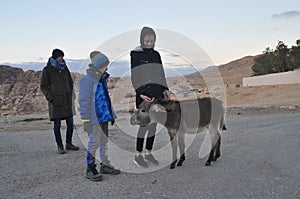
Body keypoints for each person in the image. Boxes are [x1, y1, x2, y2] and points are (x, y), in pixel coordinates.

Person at [130, 27, 171, 168]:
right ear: (142, 40)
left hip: (156, 94)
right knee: (144, 126)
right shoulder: (135, 54)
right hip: (143, 96)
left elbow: (161, 73)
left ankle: (148, 153)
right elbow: (134, 75)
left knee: (153, 126)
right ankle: (138, 155)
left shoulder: (156, 54)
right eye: (147, 41)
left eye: (152, 41)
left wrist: (165, 89)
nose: (149, 44)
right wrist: (140, 92)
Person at [78, 51, 120, 181]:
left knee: (104, 142)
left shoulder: (102, 80)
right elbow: (83, 101)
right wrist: (85, 120)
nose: (106, 68)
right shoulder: (87, 81)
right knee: (94, 142)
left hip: (104, 118)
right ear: (96, 66)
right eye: (104, 66)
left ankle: (105, 164)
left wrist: (111, 115)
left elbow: (106, 100)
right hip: (94, 119)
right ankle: (90, 167)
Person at [41, 49, 79, 154]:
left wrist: (71, 93)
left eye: (62, 57)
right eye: (60, 57)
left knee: (70, 123)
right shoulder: (47, 70)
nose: (62, 59)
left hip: (67, 100)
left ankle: (69, 143)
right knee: (57, 125)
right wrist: (50, 97)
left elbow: (70, 82)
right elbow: (43, 86)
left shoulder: (64, 68)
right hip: (56, 101)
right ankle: (60, 146)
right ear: (55, 57)